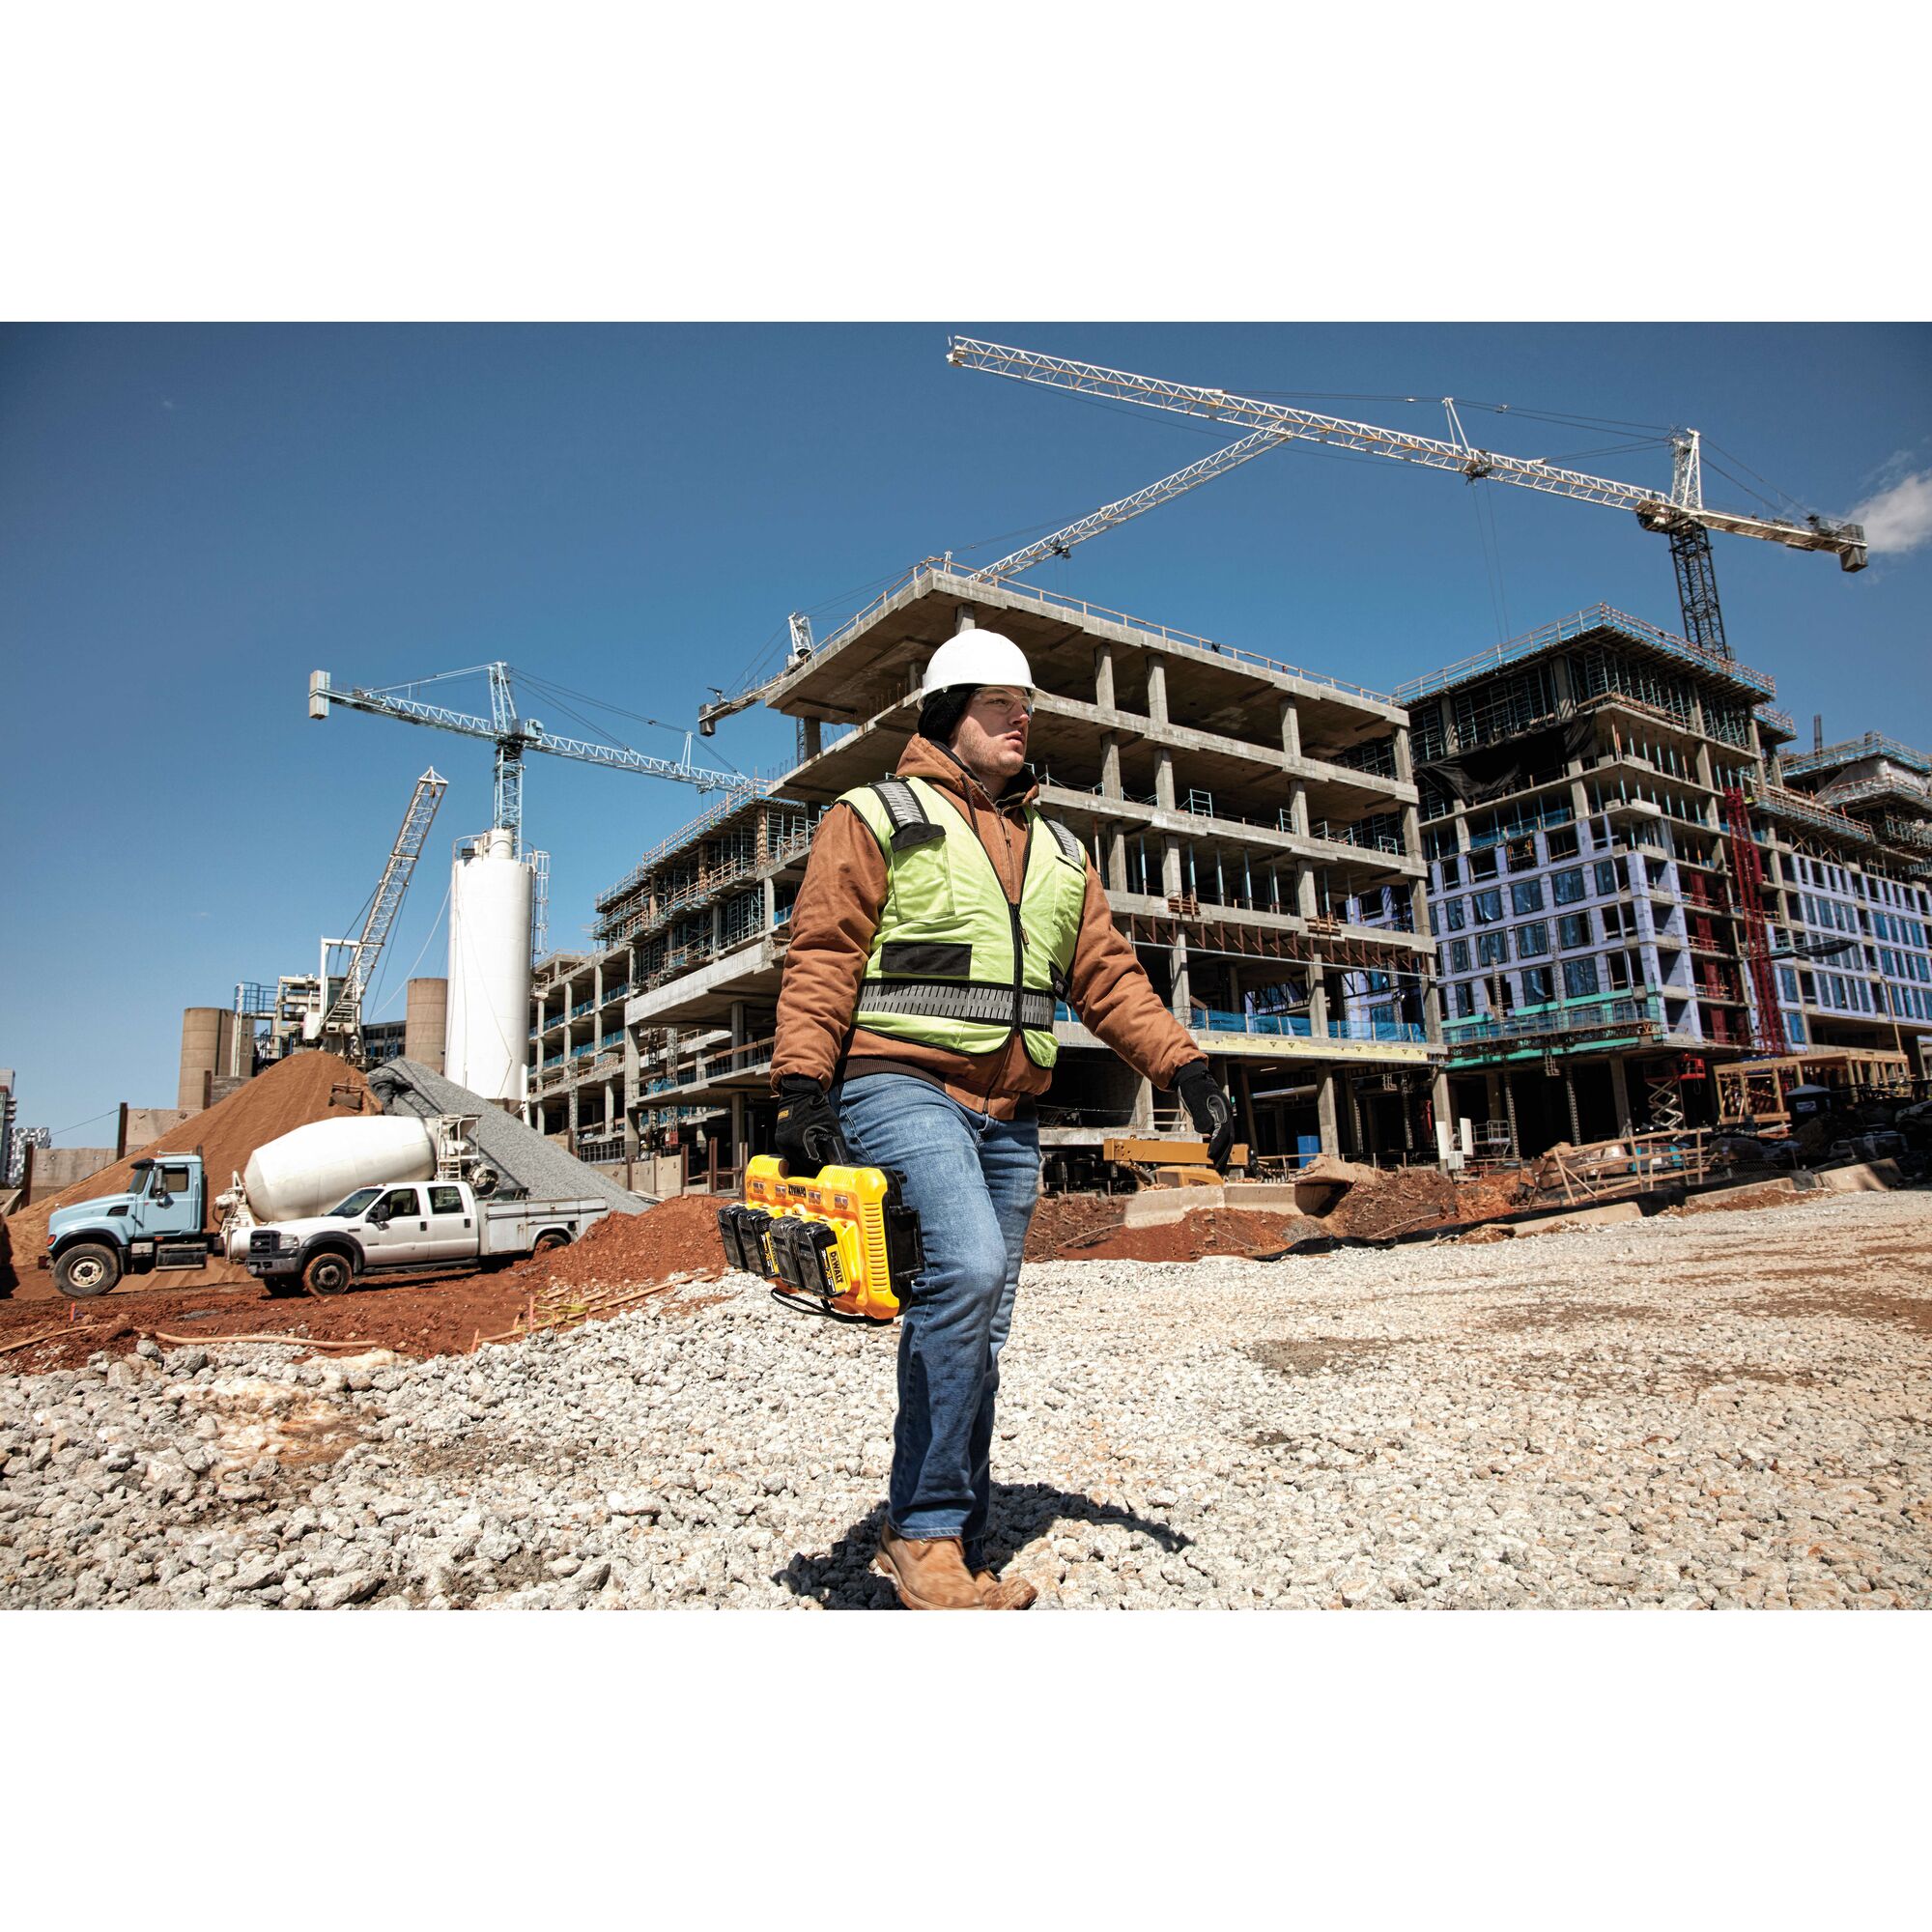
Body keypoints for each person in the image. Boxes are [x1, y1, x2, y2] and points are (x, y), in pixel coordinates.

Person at [770, 627, 1236, 1610]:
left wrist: (1184, 1064)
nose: (1020, 720)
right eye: (998, 705)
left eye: (1026, 707)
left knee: (982, 1321)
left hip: (1009, 1114)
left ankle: (953, 1532)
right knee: (970, 1270)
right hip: (899, 1082)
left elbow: (1105, 975)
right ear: (948, 714)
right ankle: (925, 1530)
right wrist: (803, 1085)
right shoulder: (876, 814)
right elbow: (824, 950)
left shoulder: (1060, 850)